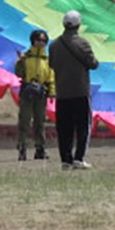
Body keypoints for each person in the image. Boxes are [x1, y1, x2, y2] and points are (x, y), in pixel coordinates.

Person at [48, 10, 99, 169]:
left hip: (62, 92)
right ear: (78, 25)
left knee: (64, 127)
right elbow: (93, 63)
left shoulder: (54, 45)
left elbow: (51, 64)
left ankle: (66, 160)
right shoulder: (82, 43)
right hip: (80, 91)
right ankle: (79, 157)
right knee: (83, 125)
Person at [14, 28, 55, 161]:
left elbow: (51, 77)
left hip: (41, 94)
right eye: (38, 40)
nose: (41, 43)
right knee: (24, 121)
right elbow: (19, 73)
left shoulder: (47, 60)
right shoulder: (26, 57)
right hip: (27, 92)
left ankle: (40, 149)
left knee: (40, 122)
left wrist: (53, 93)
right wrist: (20, 62)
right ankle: (22, 149)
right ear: (33, 41)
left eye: (43, 41)